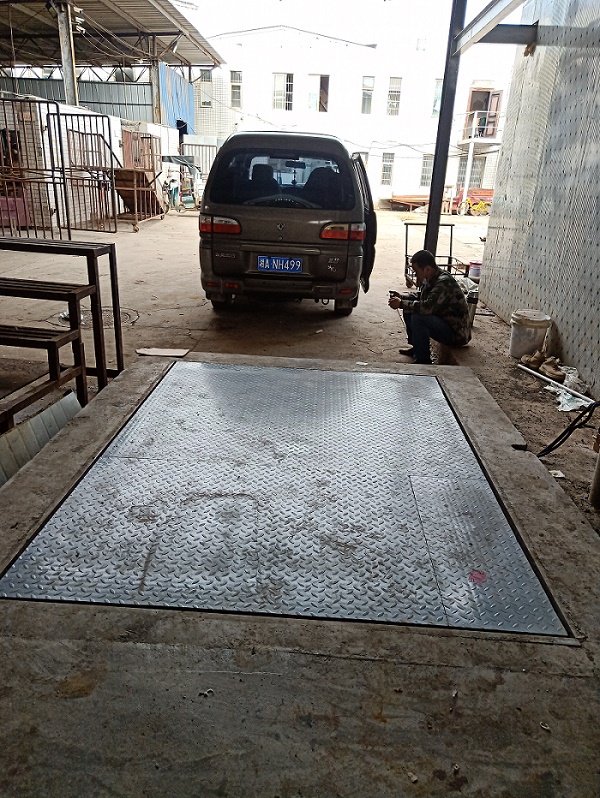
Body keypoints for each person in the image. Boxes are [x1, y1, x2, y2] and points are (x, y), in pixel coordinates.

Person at [388, 249, 471, 364]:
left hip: (456, 333)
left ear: (427, 269)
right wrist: (402, 297)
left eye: (416, 271)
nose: (415, 275)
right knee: (409, 309)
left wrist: (401, 303)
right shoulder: (433, 277)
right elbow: (422, 296)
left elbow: (427, 307)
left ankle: (423, 359)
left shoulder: (444, 282)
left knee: (418, 317)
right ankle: (417, 348)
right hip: (445, 323)